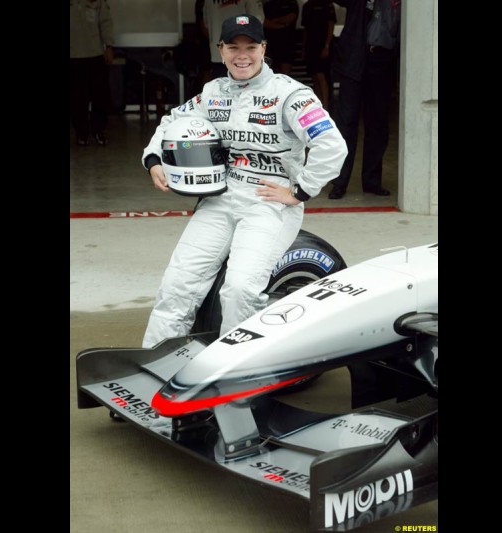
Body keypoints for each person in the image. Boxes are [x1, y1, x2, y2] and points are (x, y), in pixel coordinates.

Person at [140, 14, 347, 348]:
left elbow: (332, 144)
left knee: (238, 290)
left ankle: (234, 394)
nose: (242, 55)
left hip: (269, 205)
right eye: (233, 47)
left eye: (250, 46)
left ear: (263, 48)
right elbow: (171, 121)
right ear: (220, 50)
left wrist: (300, 190)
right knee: (177, 285)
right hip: (220, 199)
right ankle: (156, 373)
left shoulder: (291, 94)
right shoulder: (213, 92)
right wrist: (153, 160)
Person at [327, 0, 400, 199]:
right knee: (346, 124)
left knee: (378, 124)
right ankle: (339, 182)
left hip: (383, 61)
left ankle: (372, 182)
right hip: (354, 61)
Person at [70, 0, 115, 146]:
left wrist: (108, 45)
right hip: (73, 56)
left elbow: (105, 22)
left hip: (95, 54)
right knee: (77, 98)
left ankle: (98, 131)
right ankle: (81, 134)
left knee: (100, 96)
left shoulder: (98, 1)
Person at [202, 0, 265, 79]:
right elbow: (258, 21)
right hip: (247, 58)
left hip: (218, 55)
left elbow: (206, 24)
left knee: (220, 88)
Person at [300, 0, 337, 108]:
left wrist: (327, 46)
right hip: (310, 46)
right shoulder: (307, 6)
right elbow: (305, 29)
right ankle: (318, 103)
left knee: (321, 75)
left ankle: (325, 105)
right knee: (314, 76)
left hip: (322, 44)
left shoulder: (327, 4)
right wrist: (303, 48)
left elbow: (331, 26)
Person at [263, 0, 299, 75]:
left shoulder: (291, 3)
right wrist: (281, 25)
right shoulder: (267, 5)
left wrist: (275, 20)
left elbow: (291, 17)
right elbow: (264, 22)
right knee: (270, 71)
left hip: (287, 42)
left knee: (285, 73)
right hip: (271, 43)